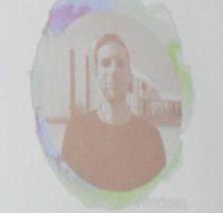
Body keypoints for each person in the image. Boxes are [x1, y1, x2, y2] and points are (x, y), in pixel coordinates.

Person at [58, 32, 165, 192]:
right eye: (106, 63)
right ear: (96, 73)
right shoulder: (76, 130)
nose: (113, 70)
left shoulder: (150, 137)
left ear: (129, 76)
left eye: (120, 63)